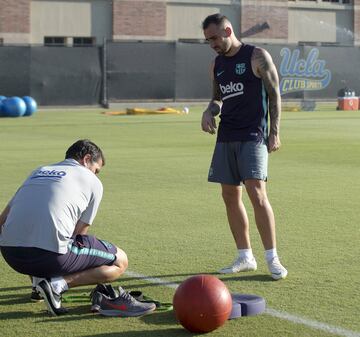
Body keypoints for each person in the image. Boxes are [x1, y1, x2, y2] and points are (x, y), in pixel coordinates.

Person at [0, 139, 156, 315]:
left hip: (11, 255)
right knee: (121, 260)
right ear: (86, 159)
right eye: (96, 170)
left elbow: (2, 220)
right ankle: (56, 286)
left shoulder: (39, 171)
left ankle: (38, 287)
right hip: (49, 257)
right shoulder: (92, 181)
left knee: (35, 230)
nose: (96, 175)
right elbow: (79, 234)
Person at [201, 14, 287, 280]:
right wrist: (209, 111)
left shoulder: (257, 56)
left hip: (254, 134)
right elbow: (218, 99)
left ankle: (272, 258)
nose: (212, 44)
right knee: (229, 196)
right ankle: (245, 256)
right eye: (208, 40)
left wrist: (274, 133)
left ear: (228, 30)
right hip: (226, 135)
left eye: (215, 38)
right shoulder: (217, 64)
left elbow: (275, 95)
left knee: (257, 194)